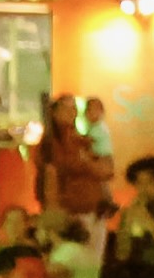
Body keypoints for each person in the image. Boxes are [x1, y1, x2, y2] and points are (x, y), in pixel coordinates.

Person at [36, 95, 113, 240]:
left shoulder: (82, 140)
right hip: (67, 213)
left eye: (74, 108)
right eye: (66, 108)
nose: (72, 112)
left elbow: (107, 170)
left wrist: (88, 163)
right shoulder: (51, 144)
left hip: (92, 211)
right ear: (54, 112)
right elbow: (51, 177)